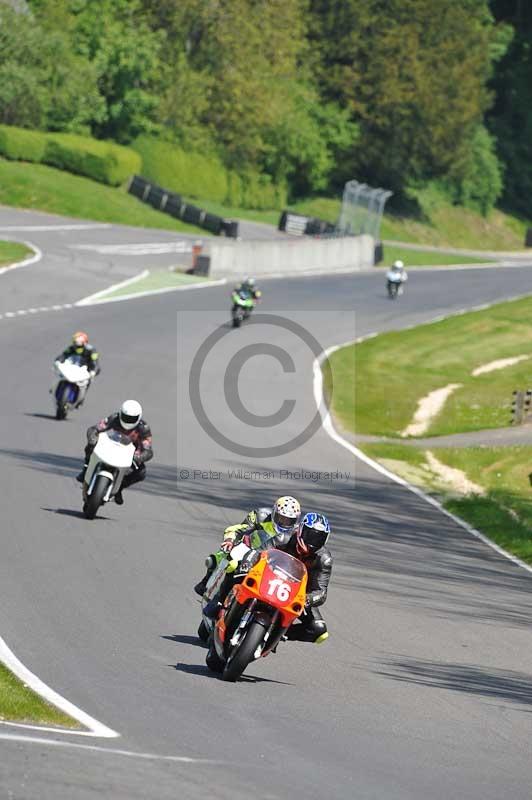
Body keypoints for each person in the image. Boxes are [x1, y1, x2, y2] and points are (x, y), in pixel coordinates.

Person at [203, 511, 333, 645]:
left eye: (318, 539)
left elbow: (321, 592)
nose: (312, 542)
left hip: (296, 593)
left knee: (319, 630)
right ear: (300, 530)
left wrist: (307, 599)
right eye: (310, 535)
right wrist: (247, 564)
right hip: (269, 577)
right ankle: (219, 603)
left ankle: (275, 634)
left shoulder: (324, 559)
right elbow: (258, 552)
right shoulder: (284, 538)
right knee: (237, 570)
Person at [193, 495, 301, 596]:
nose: (284, 523)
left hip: (272, 560)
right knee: (231, 560)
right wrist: (230, 540)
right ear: (274, 513)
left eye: (289, 520)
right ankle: (208, 583)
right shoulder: (260, 515)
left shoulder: (296, 533)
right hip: (248, 548)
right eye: (281, 518)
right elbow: (238, 530)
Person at [76, 400, 153, 505]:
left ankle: (120, 487)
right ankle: (86, 469)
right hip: (110, 446)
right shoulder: (114, 418)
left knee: (141, 472)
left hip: (129, 454)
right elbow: (95, 428)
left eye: (131, 418)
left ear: (138, 418)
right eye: (126, 417)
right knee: (91, 446)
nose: (128, 421)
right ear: (121, 413)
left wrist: (138, 457)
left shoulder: (143, 428)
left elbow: (147, 449)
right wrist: (93, 438)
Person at [52, 331, 100, 406]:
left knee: (87, 381)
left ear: (84, 343)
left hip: (84, 369)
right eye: (75, 343)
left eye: (79, 344)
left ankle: (81, 398)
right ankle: (55, 389)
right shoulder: (71, 348)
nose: (76, 346)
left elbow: (95, 362)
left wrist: (93, 370)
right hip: (72, 367)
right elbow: (64, 355)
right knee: (60, 375)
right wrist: (58, 361)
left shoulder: (91, 350)